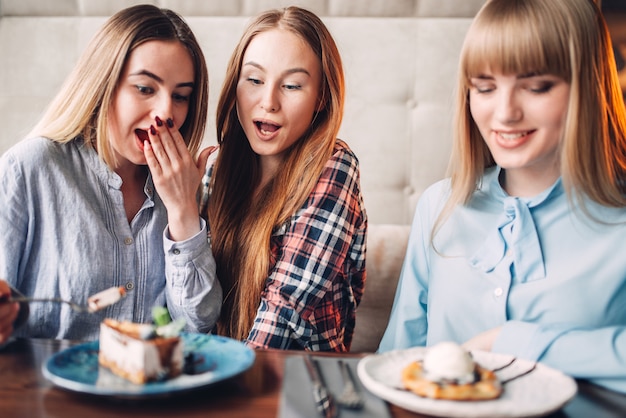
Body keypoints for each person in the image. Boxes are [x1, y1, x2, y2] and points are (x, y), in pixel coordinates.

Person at [379, 0, 626, 393]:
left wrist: (516, 343)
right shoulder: (439, 207)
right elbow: (396, 362)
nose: (505, 113)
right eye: (485, 87)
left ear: (587, 86)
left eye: (536, 86)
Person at [0, 4, 221, 345]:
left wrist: (182, 213)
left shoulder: (183, 186)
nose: (166, 112)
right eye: (145, 88)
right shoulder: (29, 168)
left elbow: (196, 328)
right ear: (103, 86)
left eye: (180, 96)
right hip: (45, 395)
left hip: (153, 394)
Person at [199, 6, 367, 351]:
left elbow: (285, 309)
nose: (268, 101)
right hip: (218, 377)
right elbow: (189, 306)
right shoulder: (216, 167)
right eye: (255, 80)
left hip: (296, 387)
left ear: (321, 97)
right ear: (235, 87)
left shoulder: (336, 168)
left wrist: (223, 393)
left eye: (291, 85)